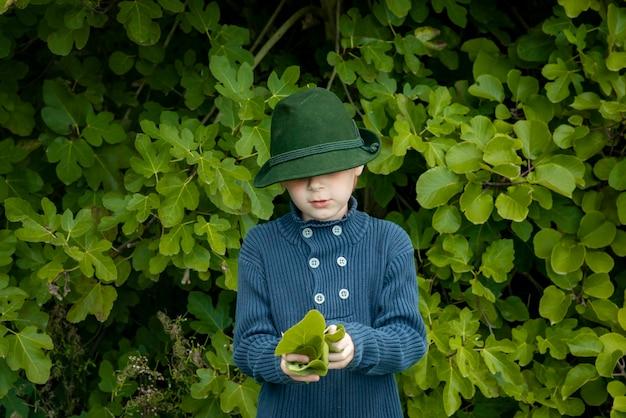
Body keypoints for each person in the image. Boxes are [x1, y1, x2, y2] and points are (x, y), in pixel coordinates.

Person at [233, 87, 428, 418]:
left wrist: (360, 344)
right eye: (300, 175)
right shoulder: (261, 246)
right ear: (282, 180)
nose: (316, 186)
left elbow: (409, 338)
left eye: (331, 169)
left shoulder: (388, 241)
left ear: (357, 167)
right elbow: (248, 344)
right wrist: (279, 360)